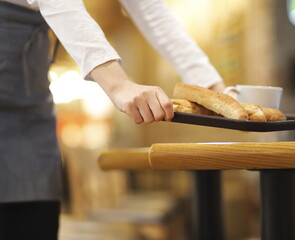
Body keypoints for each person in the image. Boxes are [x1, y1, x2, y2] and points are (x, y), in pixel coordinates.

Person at [0, 0, 225, 239]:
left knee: (33, 217)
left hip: (29, 106)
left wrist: (215, 91)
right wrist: (117, 83)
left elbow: (148, 8)